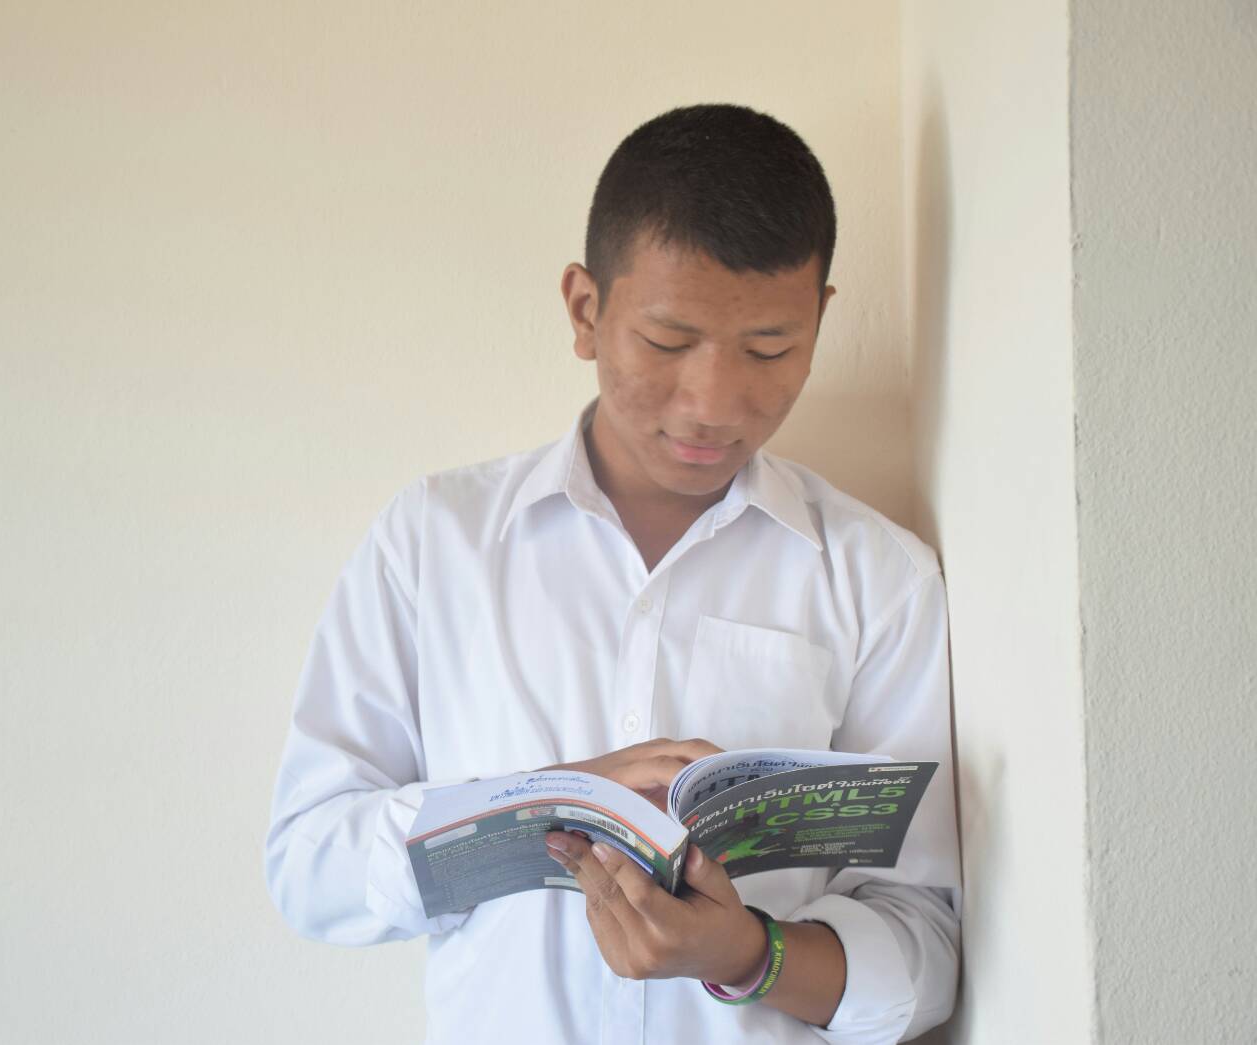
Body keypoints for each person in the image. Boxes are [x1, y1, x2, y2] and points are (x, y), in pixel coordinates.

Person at [265, 104, 960, 1044]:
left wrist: (746, 954)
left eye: (770, 348)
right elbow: (310, 869)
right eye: (668, 342)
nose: (714, 403)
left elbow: (926, 942)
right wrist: (538, 806)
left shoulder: (880, 577)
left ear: (820, 319)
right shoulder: (434, 541)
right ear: (585, 311)